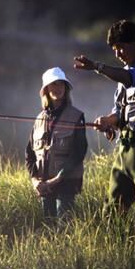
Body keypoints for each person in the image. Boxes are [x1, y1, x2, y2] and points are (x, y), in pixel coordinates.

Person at [74, 20, 135, 214]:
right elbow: (120, 112)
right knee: (112, 210)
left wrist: (96, 66)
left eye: (120, 47)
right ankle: (114, 244)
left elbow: (132, 79)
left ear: (134, 42)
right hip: (125, 149)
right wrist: (108, 121)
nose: (117, 54)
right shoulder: (125, 72)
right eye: (114, 49)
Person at [25, 67, 88, 222]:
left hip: (66, 184)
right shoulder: (39, 119)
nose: (58, 88)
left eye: (61, 84)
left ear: (66, 88)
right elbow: (29, 154)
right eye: (53, 84)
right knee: (48, 228)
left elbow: (79, 152)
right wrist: (35, 181)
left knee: (64, 228)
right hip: (44, 185)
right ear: (46, 89)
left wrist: (56, 180)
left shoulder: (76, 116)